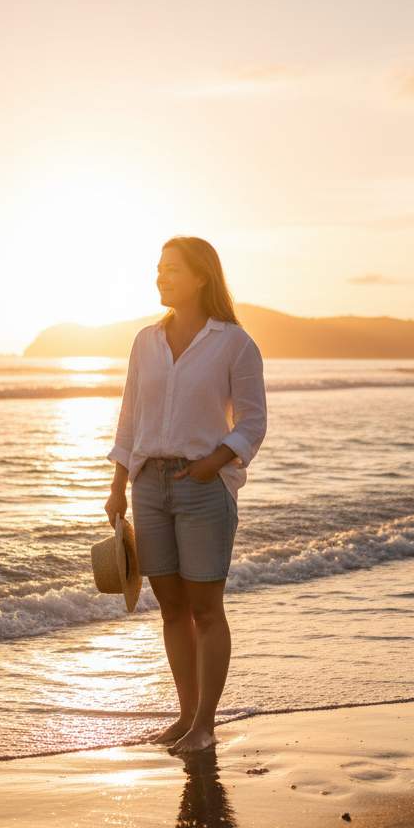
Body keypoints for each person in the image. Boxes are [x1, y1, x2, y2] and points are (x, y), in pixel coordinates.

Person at [104, 236, 268, 754]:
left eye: (171, 269)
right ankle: (183, 716)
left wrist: (212, 464)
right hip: (148, 484)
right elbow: (129, 417)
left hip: (202, 487)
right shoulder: (145, 341)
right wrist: (117, 486)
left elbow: (253, 421)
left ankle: (205, 724)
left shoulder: (234, 343)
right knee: (171, 608)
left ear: (201, 276)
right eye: (158, 269)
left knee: (206, 609)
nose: (160, 277)